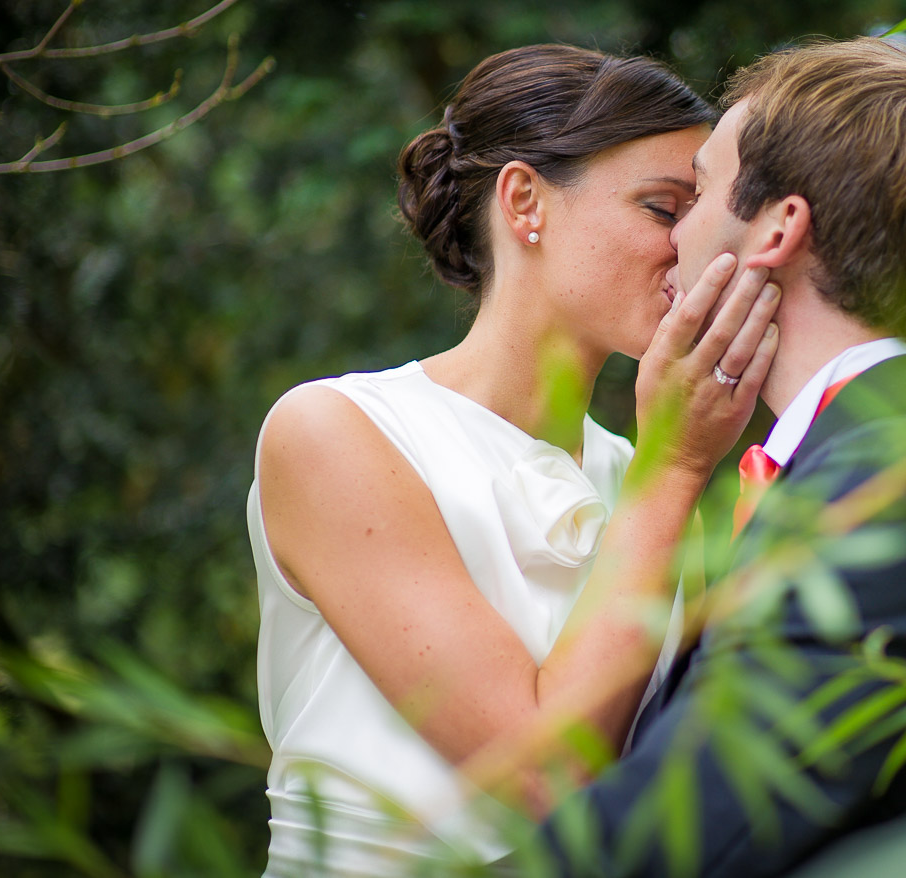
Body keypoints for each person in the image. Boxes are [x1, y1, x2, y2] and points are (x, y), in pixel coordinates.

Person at [534, 38, 906, 877]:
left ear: (780, 227)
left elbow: (672, 840)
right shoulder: (881, 456)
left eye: (697, 192)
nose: (672, 237)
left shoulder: (901, 487)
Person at [246, 44, 783, 877]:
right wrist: (674, 465)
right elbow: (545, 777)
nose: (693, 249)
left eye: (702, 213)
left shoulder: (642, 477)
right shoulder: (337, 432)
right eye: (662, 208)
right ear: (526, 200)